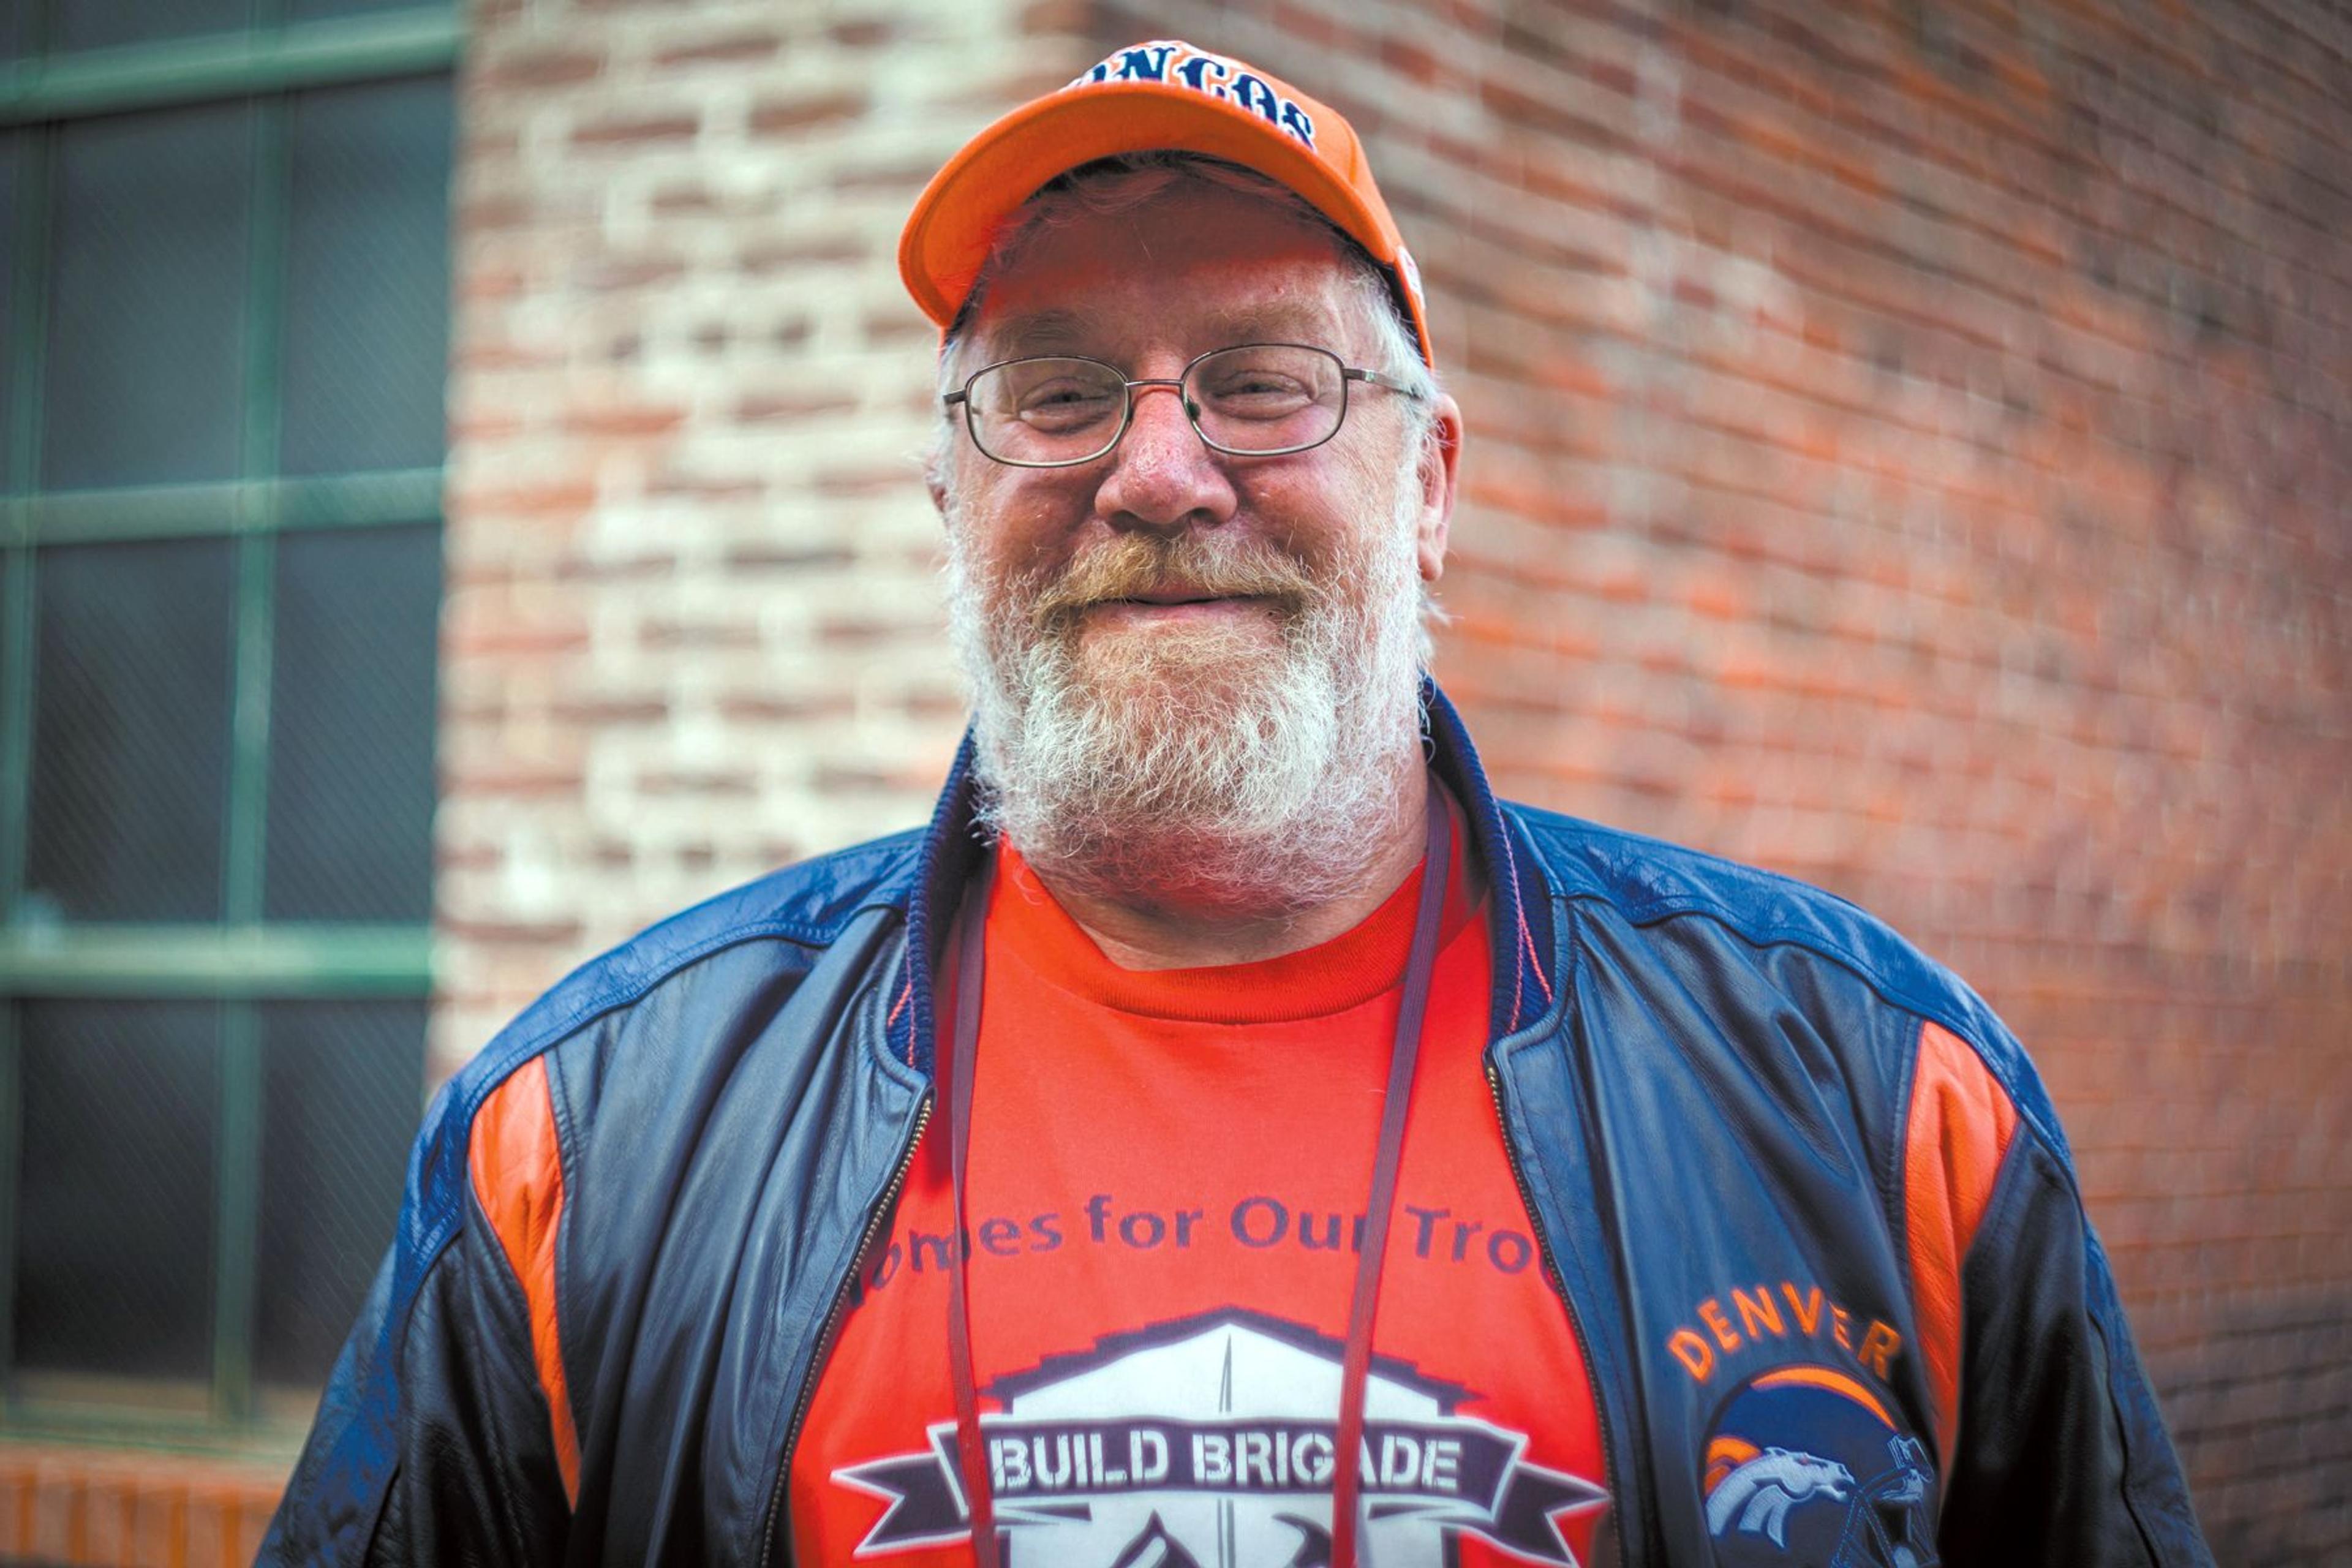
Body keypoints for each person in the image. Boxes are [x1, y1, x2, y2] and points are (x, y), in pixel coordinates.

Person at [265, 39, 2212, 1568]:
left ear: (1431, 480)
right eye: (1055, 390)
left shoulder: (1880, 1106)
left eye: (1268, 382)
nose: (1160, 473)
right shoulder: (584, 1145)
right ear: (947, 491)